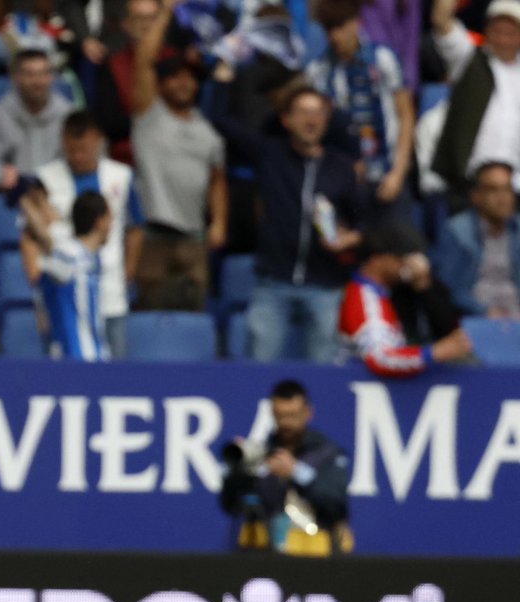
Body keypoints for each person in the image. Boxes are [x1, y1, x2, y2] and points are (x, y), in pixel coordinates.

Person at [211, 83, 364, 363]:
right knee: (259, 368)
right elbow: (220, 121)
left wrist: (350, 238)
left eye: (318, 113)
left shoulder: (342, 168)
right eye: (303, 112)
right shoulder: (271, 155)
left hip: (325, 286)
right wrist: (222, 81)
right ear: (286, 120)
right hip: (273, 283)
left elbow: (363, 222)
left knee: (324, 375)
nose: (311, 120)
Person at [130, 0, 227, 311]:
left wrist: (220, 222)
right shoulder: (149, 116)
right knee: (150, 316)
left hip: (193, 239)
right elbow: (144, 60)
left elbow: (217, 180)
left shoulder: (208, 131)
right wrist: (166, 13)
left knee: (194, 314)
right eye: (174, 76)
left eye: (190, 77)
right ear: (162, 83)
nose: (183, 83)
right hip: (153, 235)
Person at [36, 110, 143, 357]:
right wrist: (41, 293)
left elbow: (135, 230)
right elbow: (33, 235)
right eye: (71, 150)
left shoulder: (121, 177)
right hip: (67, 293)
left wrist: (127, 275)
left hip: (111, 290)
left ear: (98, 140)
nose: (77, 156)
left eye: (83, 149)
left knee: (113, 371)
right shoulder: (47, 178)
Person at [307, 0, 414, 221]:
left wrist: (399, 172)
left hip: (389, 174)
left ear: (356, 22)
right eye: (329, 28)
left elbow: (406, 115)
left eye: (340, 26)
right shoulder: (319, 73)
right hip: (346, 182)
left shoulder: (384, 59)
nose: (334, 36)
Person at [218, 380, 352, 556]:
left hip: (315, 551)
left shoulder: (327, 452)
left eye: (292, 415)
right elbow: (230, 505)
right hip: (265, 552)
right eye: (280, 415)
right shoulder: (263, 451)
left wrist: (296, 472)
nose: (286, 422)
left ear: (308, 413)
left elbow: (335, 502)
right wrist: (235, 473)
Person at [340, 219, 474, 377]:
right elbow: (380, 358)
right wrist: (434, 353)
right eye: (400, 256)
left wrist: (423, 285)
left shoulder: (384, 292)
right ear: (375, 260)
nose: (407, 263)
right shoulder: (366, 300)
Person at [431, 0, 520, 198]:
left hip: (516, 188)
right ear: (487, 31)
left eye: (511, 33)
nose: (504, 39)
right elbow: (441, 19)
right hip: (468, 184)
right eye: (498, 31)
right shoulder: (469, 58)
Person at [27, 189, 114, 360]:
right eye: (110, 218)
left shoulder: (91, 256)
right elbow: (45, 239)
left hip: (98, 354)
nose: (112, 224)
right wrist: (24, 199)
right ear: (99, 222)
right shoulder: (68, 256)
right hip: (73, 358)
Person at [0, 48, 74, 192]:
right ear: (15, 77)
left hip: (60, 193)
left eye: (43, 73)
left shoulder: (69, 116)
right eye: (30, 74)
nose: (38, 81)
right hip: (11, 196)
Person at [433, 161, 520, 318]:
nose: (502, 197)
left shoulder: (517, 229)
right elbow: (449, 288)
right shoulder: (457, 230)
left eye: (507, 189)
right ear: (476, 196)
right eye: (493, 190)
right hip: (477, 318)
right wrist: (484, 312)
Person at [92, 0, 161, 164]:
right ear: (126, 24)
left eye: (152, 18)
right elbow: (109, 123)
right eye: (139, 19)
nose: (146, 25)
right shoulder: (112, 65)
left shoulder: (175, 62)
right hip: (129, 157)